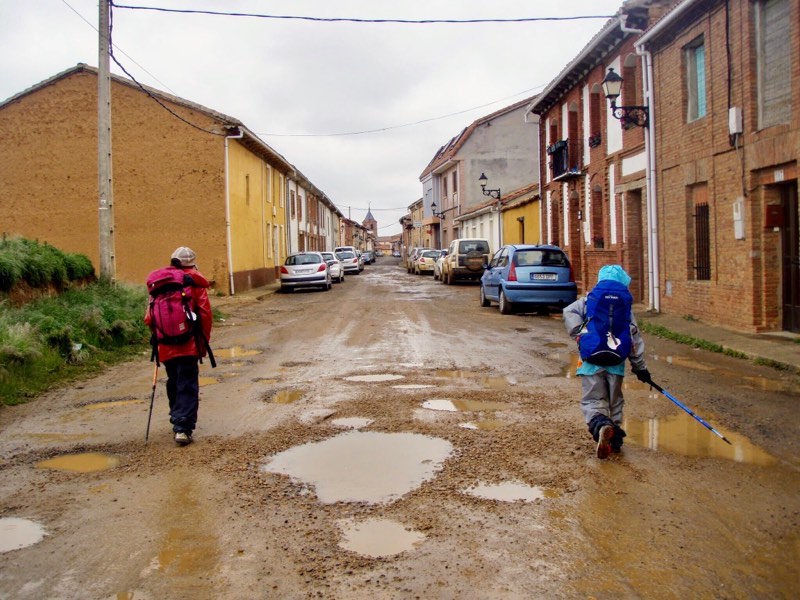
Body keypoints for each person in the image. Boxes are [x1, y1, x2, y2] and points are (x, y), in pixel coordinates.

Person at [563, 265, 650, 459]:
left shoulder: (588, 301)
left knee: (594, 399)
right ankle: (614, 435)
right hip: (616, 363)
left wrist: (579, 334)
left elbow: (568, 312)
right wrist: (640, 368)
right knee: (615, 401)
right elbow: (634, 339)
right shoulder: (624, 308)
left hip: (590, 362)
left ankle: (601, 426)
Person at [145, 247, 213, 446]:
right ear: (193, 264)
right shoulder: (195, 283)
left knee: (174, 379)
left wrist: (158, 340)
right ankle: (183, 428)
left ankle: (176, 416)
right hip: (188, 343)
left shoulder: (159, 284)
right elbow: (205, 315)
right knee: (188, 382)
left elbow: (149, 318)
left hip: (165, 344)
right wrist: (203, 343)